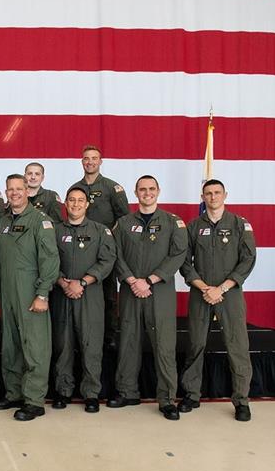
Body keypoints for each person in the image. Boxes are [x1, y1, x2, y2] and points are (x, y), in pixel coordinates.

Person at [109, 175, 187, 420]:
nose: (147, 193)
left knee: (164, 345)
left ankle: (166, 399)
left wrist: (150, 280)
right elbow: (116, 254)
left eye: (151, 189)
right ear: (136, 192)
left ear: (158, 191)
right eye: (142, 189)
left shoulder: (173, 222)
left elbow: (178, 255)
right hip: (131, 290)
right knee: (128, 342)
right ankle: (127, 391)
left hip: (160, 291)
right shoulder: (123, 223)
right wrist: (132, 280)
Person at [179, 179, 257, 422]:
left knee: (237, 346)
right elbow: (184, 261)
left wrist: (222, 287)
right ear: (202, 197)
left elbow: (248, 259)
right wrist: (204, 287)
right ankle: (192, 394)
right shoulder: (193, 226)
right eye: (208, 193)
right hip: (200, 292)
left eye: (217, 193)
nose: (213, 197)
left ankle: (241, 401)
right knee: (195, 344)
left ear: (225, 195)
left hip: (229, 293)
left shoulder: (239, 224)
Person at [0, 174, 59, 421]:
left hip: (31, 289)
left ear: (28, 191)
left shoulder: (41, 221)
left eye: (19, 189)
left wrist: (42, 294)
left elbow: (50, 259)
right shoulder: (3, 222)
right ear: (6, 192)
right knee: (11, 344)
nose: (15, 193)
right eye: (10, 189)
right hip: (8, 291)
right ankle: (14, 393)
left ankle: (34, 400)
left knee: (35, 345)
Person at [50, 186, 116, 413]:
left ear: (87, 204)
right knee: (63, 345)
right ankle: (63, 391)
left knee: (91, 345)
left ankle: (91, 394)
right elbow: (48, 260)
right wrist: (61, 282)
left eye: (80, 200)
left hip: (90, 295)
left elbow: (107, 260)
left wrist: (84, 282)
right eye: (71, 200)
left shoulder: (100, 231)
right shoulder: (54, 231)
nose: (76, 204)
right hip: (61, 295)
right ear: (65, 204)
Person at [69, 145, 130, 349]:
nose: (90, 162)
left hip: (104, 249)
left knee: (108, 293)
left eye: (94, 158)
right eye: (86, 158)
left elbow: (124, 219)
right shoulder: (75, 188)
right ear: (82, 161)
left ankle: (108, 335)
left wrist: (109, 239)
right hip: (79, 248)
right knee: (81, 288)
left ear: (100, 161)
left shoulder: (112, 188)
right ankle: (81, 335)